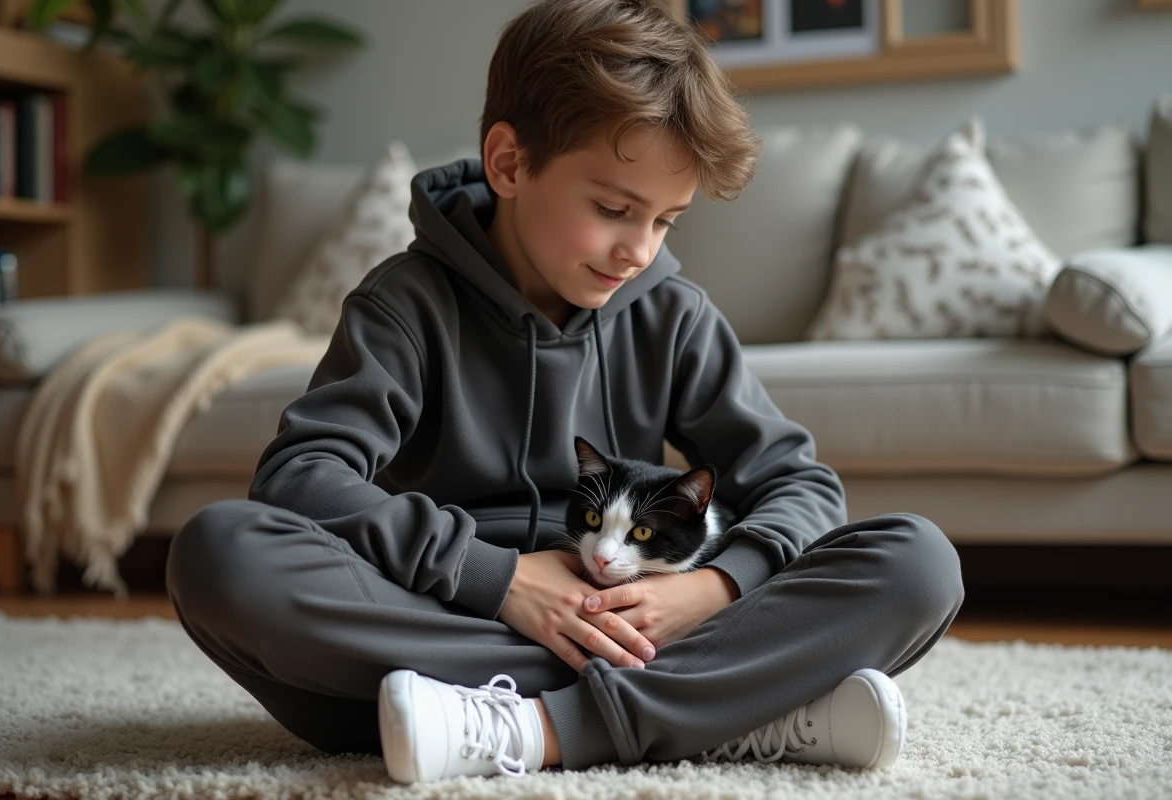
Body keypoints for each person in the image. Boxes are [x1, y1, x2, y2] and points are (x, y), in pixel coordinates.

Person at [165, 0, 964, 785]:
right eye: (615, 209)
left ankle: (523, 728)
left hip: (624, 625)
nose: (638, 250)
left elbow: (798, 484)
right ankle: (722, 708)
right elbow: (300, 480)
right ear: (509, 163)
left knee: (920, 564)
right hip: (454, 614)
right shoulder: (402, 307)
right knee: (221, 555)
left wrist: (706, 589)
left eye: (666, 222)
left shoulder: (671, 313)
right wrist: (501, 580)